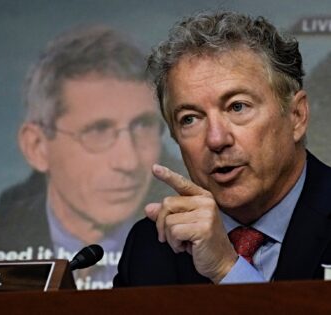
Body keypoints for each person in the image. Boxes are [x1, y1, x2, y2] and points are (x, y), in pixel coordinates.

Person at [0, 25, 185, 290]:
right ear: (37, 147)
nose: (128, 162)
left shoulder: (198, 249)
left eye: (143, 126)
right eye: (98, 131)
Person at [113, 11, 331, 287]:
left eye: (237, 107)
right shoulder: (153, 246)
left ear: (297, 116)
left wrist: (228, 269)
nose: (216, 139)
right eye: (190, 118)